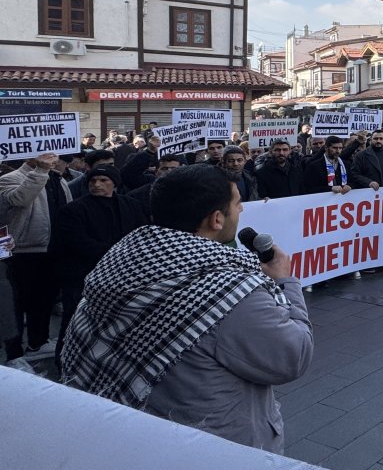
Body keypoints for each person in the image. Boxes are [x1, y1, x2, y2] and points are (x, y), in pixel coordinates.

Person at [60, 164, 313, 452]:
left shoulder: (119, 262)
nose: (241, 211)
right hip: (214, 446)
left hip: (133, 435)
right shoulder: (230, 292)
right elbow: (293, 356)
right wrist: (284, 281)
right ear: (217, 219)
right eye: (237, 204)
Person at [49, 165, 148, 364]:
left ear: (114, 183)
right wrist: (118, 253)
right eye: (93, 181)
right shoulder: (73, 210)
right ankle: (64, 361)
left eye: (103, 180)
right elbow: (76, 242)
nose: (97, 184)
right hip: (82, 277)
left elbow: (141, 235)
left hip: (122, 276)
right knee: (74, 320)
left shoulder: (131, 205)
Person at [0, 152, 72, 360]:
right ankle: (14, 355)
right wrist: (41, 171)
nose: (51, 156)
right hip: (18, 250)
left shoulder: (58, 179)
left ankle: (37, 343)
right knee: (15, 303)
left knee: (43, 300)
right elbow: (19, 199)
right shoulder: (9, 179)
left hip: (50, 249)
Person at [128, 154, 184, 219]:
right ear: (156, 171)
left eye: (174, 169)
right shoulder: (138, 195)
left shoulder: (189, 192)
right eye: (164, 169)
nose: (169, 172)